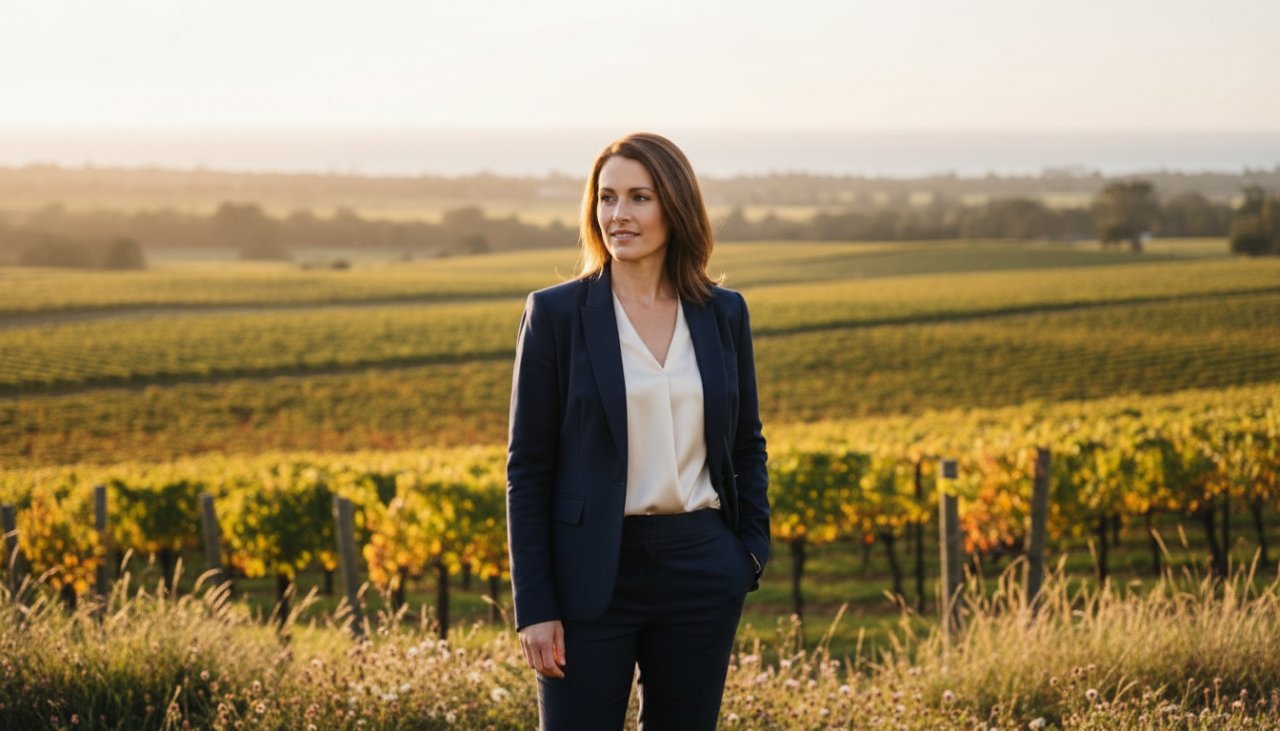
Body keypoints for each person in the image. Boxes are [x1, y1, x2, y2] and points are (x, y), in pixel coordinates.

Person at [506, 132, 770, 730]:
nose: (618, 215)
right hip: (588, 571)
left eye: (638, 197)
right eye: (606, 198)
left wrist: (747, 554)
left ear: (674, 207)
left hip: (702, 565)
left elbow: (746, 444)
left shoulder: (724, 313)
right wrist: (537, 606)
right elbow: (528, 470)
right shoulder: (555, 316)